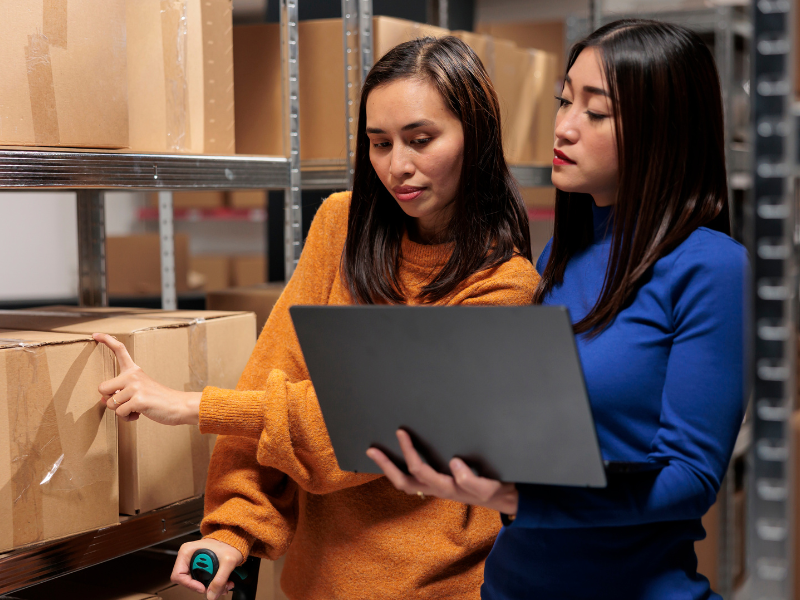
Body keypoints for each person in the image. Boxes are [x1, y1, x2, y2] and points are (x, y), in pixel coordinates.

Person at [93, 36, 538, 600]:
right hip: (314, 583)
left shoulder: (506, 284)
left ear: (475, 136)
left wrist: (195, 405)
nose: (397, 166)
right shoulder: (341, 225)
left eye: (421, 140)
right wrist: (233, 530)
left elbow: (374, 427)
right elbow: (275, 369)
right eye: (379, 143)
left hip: (445, 586)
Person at [370, 19, 749, 599]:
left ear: (662, 129)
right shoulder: (558, 257)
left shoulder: (712, 267)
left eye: (595, 112)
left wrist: (520, 497)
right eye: (565, 100)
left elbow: (690, 478)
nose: (565, 127)